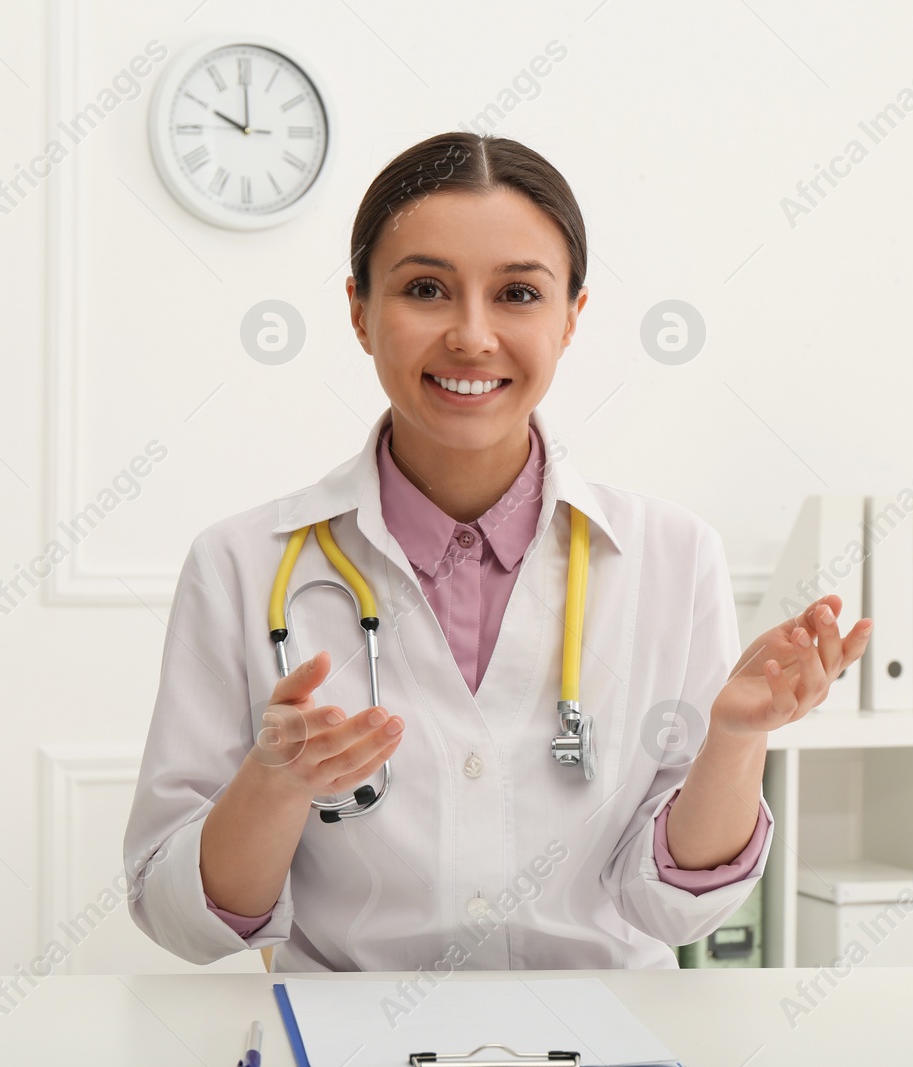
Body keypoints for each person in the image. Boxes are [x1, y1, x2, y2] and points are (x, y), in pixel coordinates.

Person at [123, 131, 872, 972]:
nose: (472, 336)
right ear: (360, 311)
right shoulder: (241, 564)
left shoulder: (673, 553)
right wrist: (275, 784)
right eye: (426, 289)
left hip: (603, 1034)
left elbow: (669, 907)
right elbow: (176, 915)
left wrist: (736, 740)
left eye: (518, 293)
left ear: (571, 318)